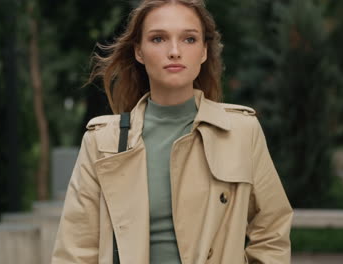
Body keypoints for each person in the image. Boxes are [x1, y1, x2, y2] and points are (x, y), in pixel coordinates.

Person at [51, 0, 293, 263]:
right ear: (139, 52)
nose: (175, 51)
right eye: (158, 39)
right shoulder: (102, 141)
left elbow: (272, 230)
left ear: (203, 51)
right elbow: (75, 249)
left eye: (189, 39)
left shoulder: (241, 132)